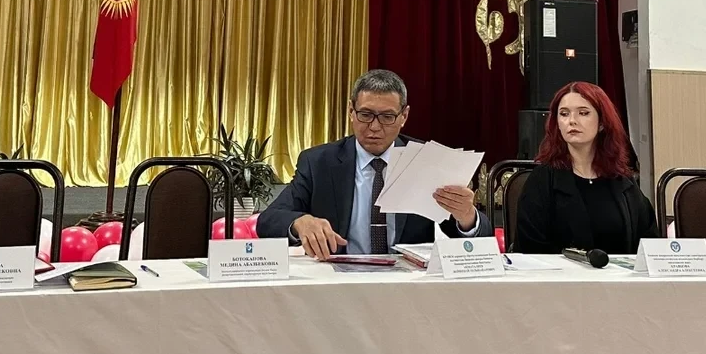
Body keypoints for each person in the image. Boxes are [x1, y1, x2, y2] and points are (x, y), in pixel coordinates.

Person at [258, 69, 491, 258]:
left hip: (407, 284)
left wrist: (466, 216)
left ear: (404, 116)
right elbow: (268, 221)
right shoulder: (319, 162)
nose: (375, 127)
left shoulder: (426, 160)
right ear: (351, 111)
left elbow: (480, 238)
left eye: (387, 117)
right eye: (366, 115)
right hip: (339, 281)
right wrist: (300, 222)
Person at [514, 81, 656, 255]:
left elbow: (649, 243)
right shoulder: (541, 180)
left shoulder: (622, 181)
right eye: (564, 114)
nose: (572, 121)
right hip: (559, 272)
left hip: (619, 273)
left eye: (583, 113)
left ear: (602, 122)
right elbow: (530, 247)